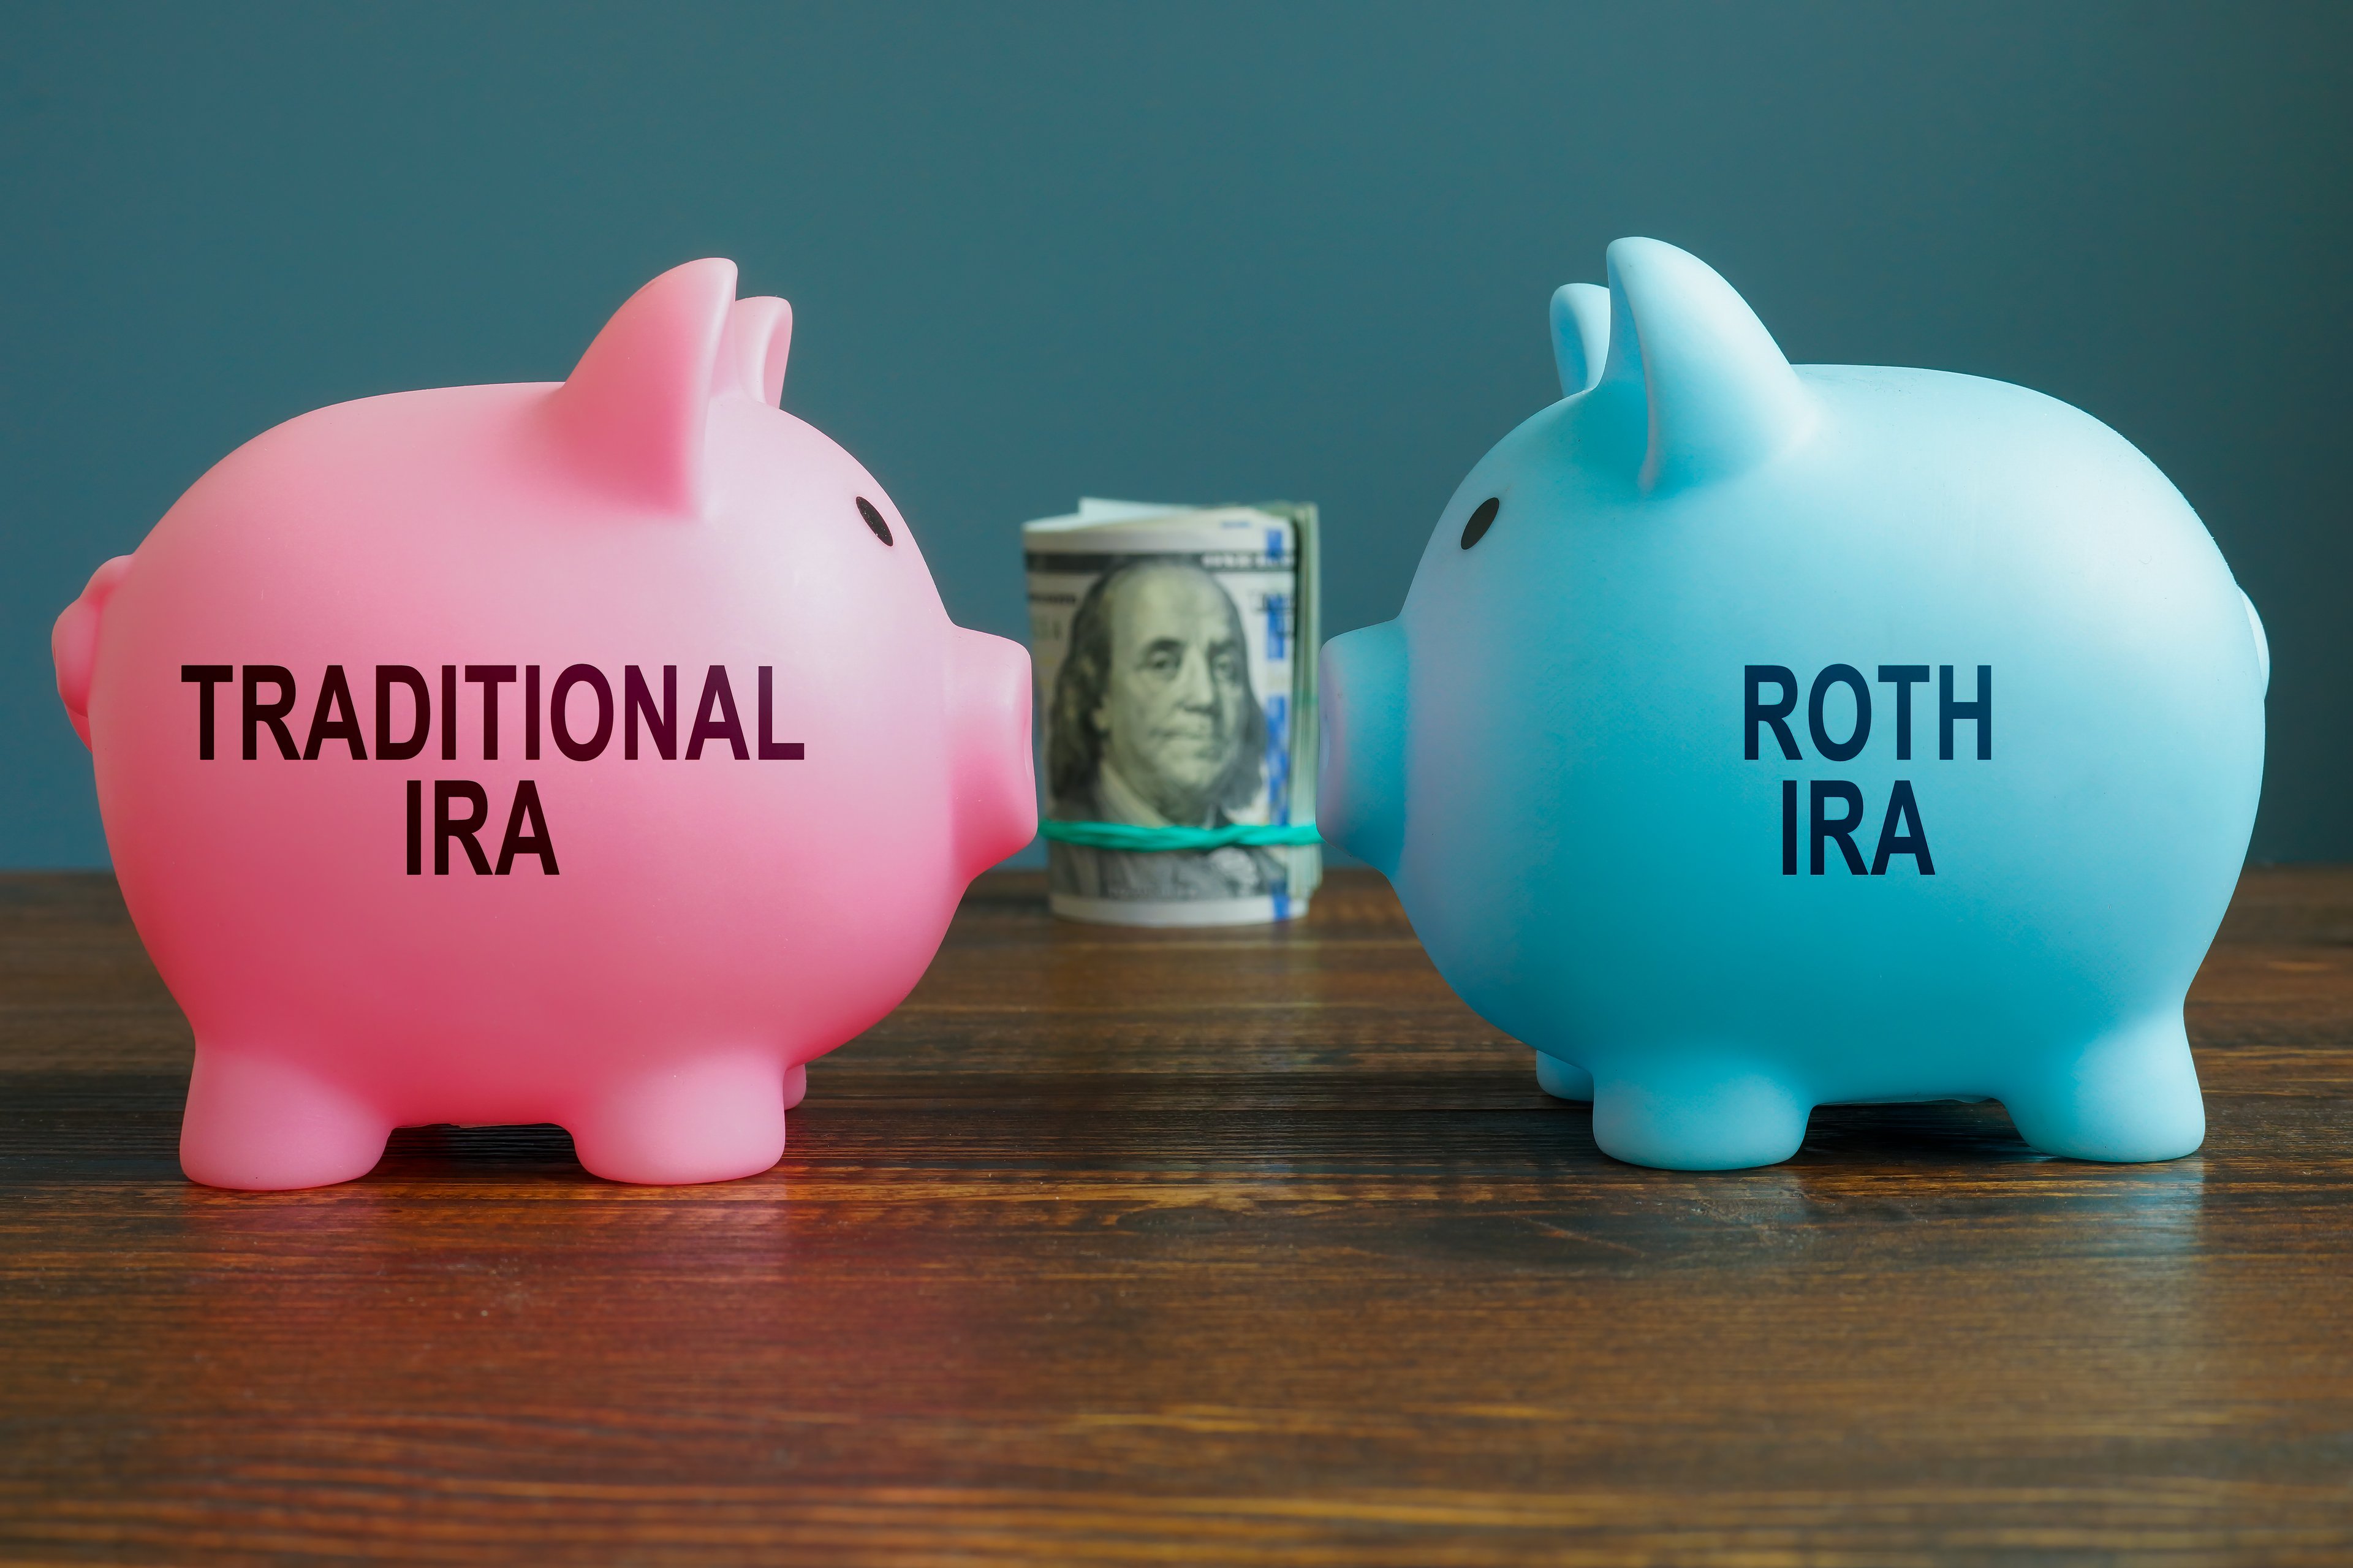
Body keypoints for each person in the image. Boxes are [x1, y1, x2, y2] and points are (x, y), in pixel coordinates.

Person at [1047, 558, 1287, 903]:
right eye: (1163, 664)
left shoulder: (1271, 875)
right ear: (1099, 696)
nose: (1204, 697)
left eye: (1225, 667)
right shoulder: (1072, 863)